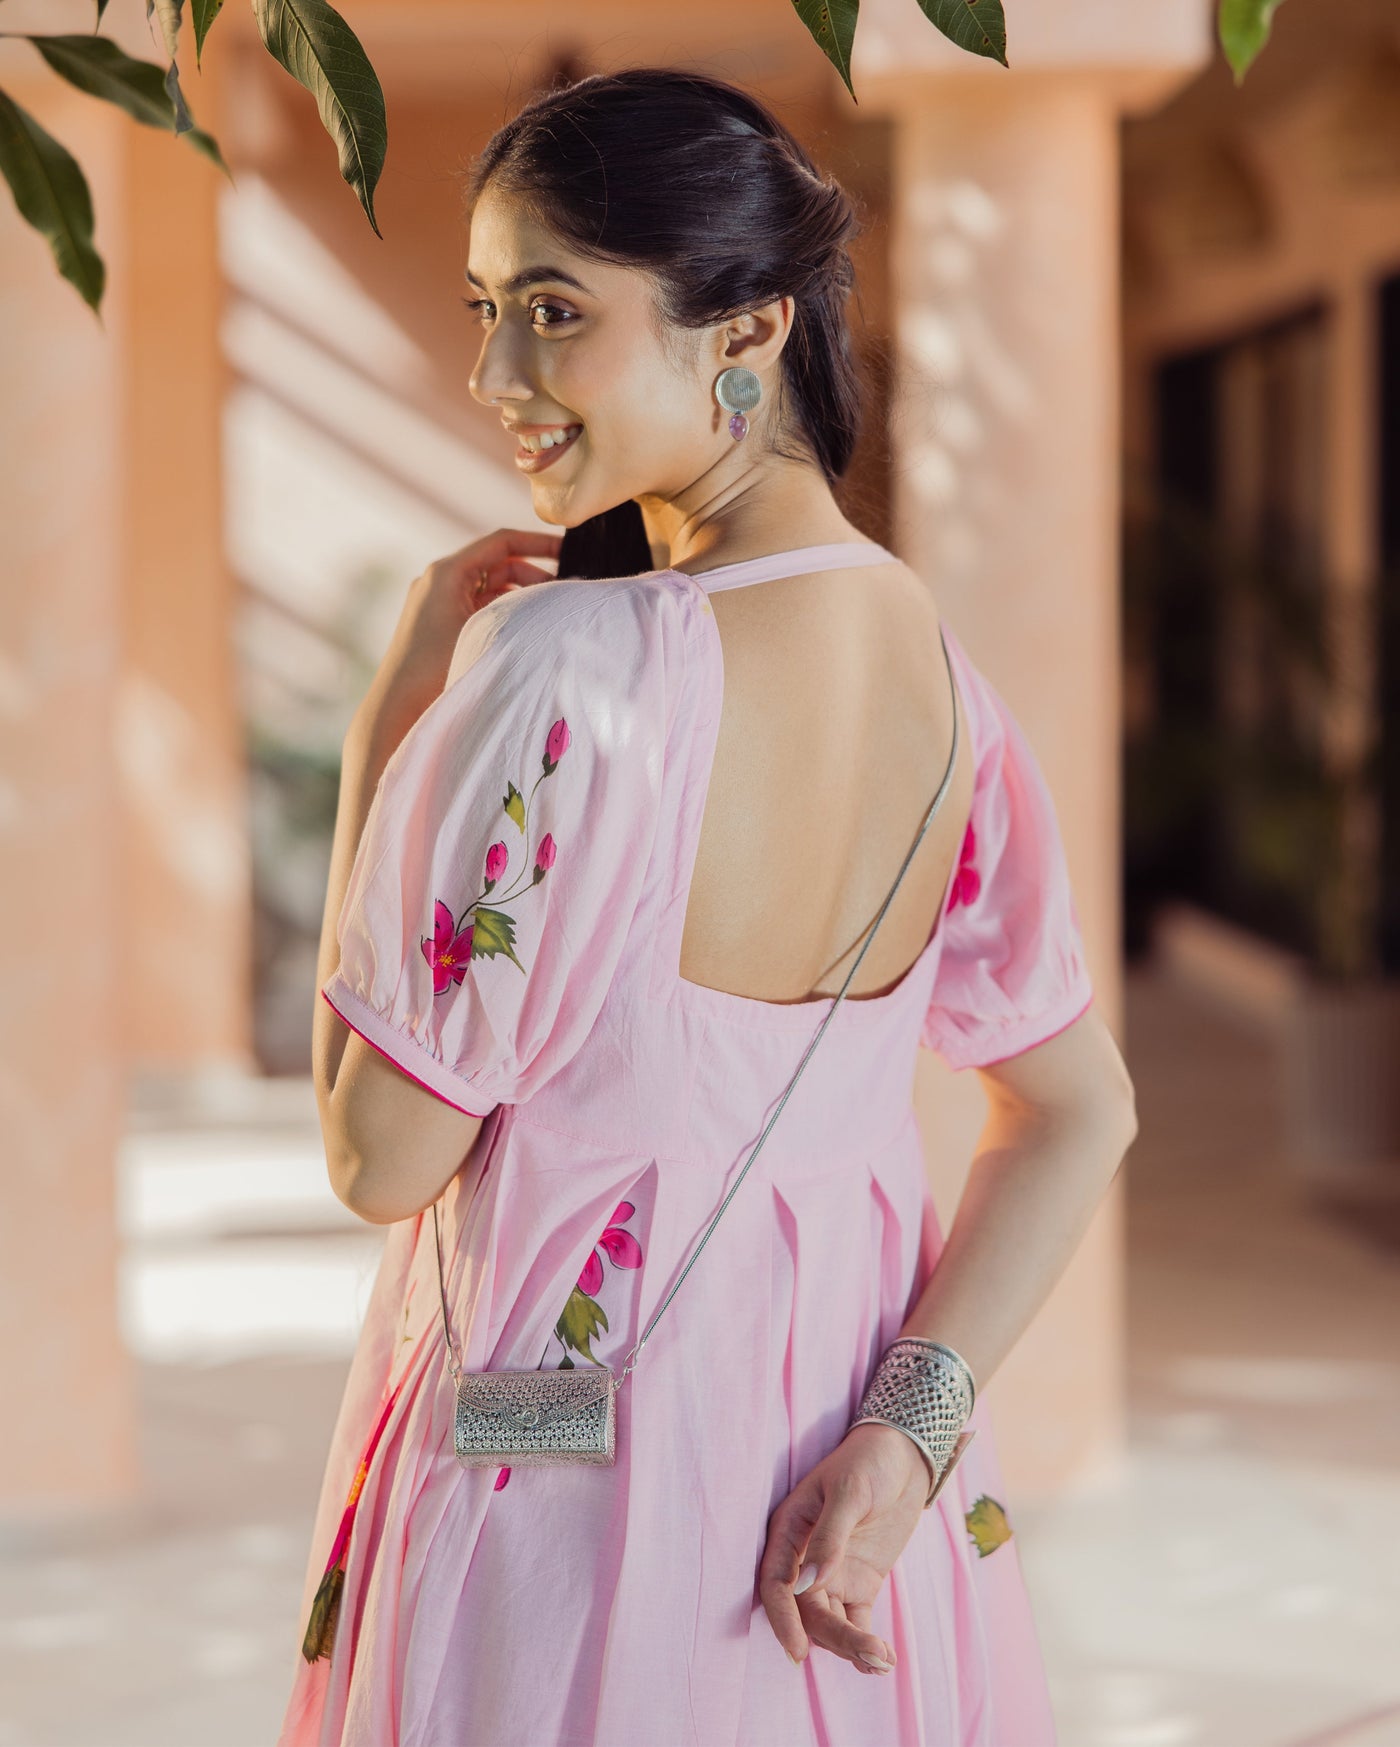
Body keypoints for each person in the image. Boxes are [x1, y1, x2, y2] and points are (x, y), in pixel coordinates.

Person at [276, 65, 1138, 1747]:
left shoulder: (573, 667)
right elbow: (1076, 1110)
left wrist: (396, 732)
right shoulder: (943, 683)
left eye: (553, 310)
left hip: (568, 1527)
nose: (494, 374)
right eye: (486, 309)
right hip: (843, 1536)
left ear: (746, 331)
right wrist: (905, 1441)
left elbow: (377, 1159)